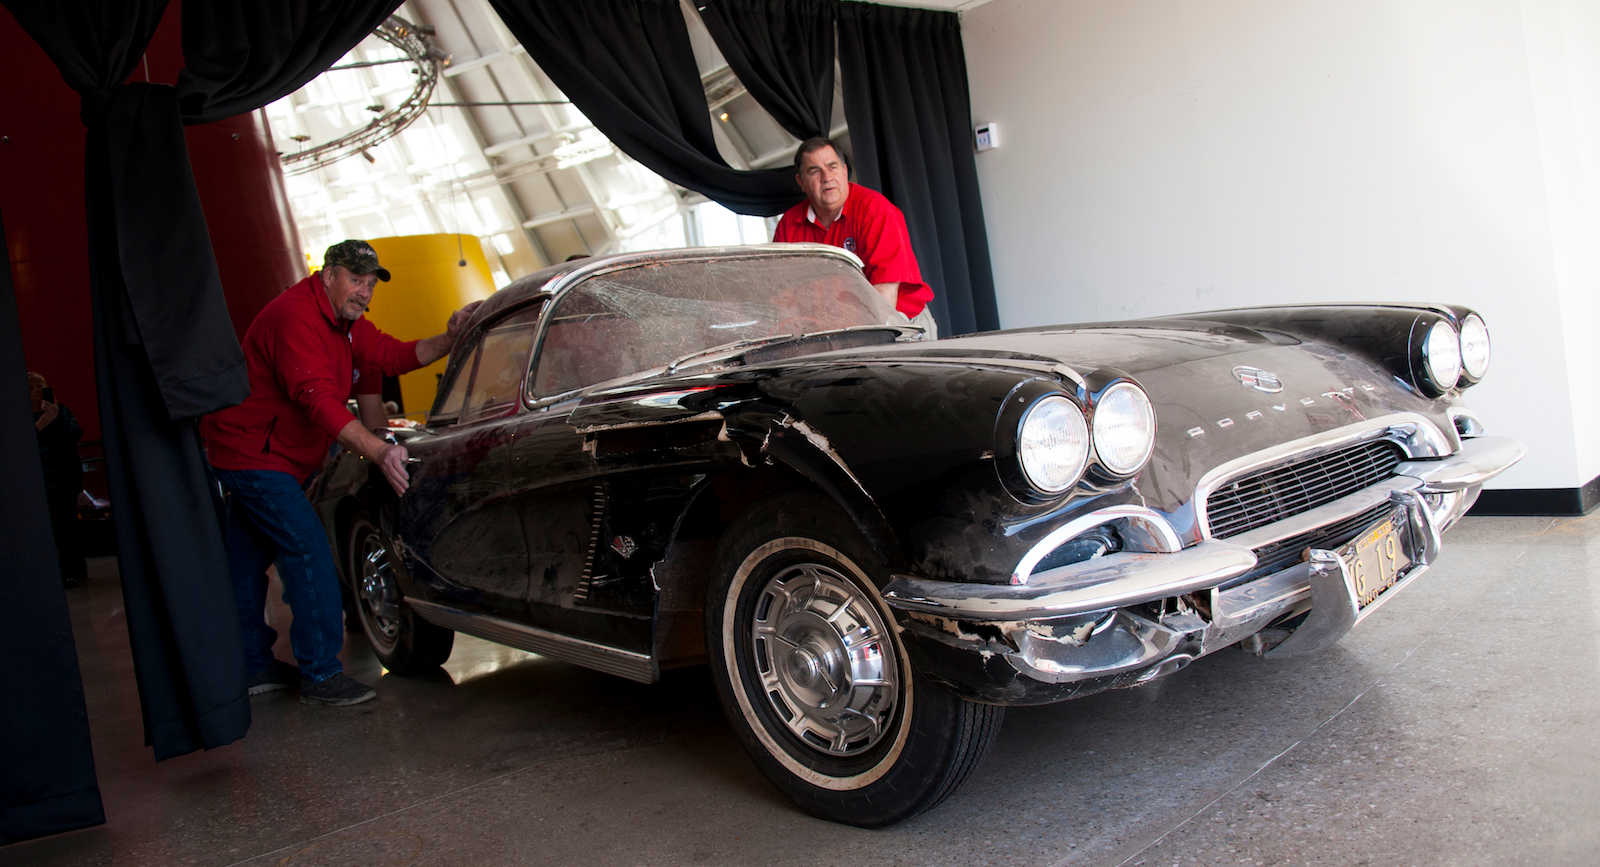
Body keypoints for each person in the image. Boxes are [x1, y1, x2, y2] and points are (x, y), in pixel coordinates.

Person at [202, 240, 479, 707]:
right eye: (356, 280)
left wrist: (451, 339)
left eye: (370, 283)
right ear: (328, 275)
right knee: (307, 550)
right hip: (255, 454)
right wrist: (379, 451)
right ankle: (321, 672)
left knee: (246, 562)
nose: (364, 291)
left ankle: (252, 665)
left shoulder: (346, 324)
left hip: (273, 457)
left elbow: (393, 355)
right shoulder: (296, 317)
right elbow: (317, 400)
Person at [773, 137, 938, 338]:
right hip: (834, 333)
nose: (826, 177)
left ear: (844, 171)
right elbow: (785, 296)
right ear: (801, 182)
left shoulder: (875, 210)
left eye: (832, 167)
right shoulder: (789, 225)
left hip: (899, 324)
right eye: (814, 171)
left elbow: (884, 298)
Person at [28, 371, 87, 588]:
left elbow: (75, 433)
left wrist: (56, 417)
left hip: (63, 478)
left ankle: (73, 572)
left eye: (41, 386)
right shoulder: (23, 415)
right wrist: (42, 423)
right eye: (34, 387)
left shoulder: (60, 411)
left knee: (67, 527)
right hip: (39, 480)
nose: (38, 391)